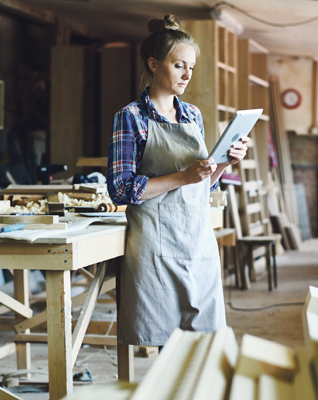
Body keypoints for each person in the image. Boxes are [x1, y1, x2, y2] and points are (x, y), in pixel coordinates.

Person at [107, 15, 249, 346]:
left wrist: (224, 164)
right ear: (154, 64)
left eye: (191, 67)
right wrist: (183, 176)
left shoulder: (192, 115)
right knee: (158, 341)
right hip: (155, 246)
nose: (187, 75)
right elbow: (121, 189)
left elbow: (205, 186)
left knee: (205, 342)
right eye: (178, 65)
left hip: (197, 242)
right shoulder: (131, 118)